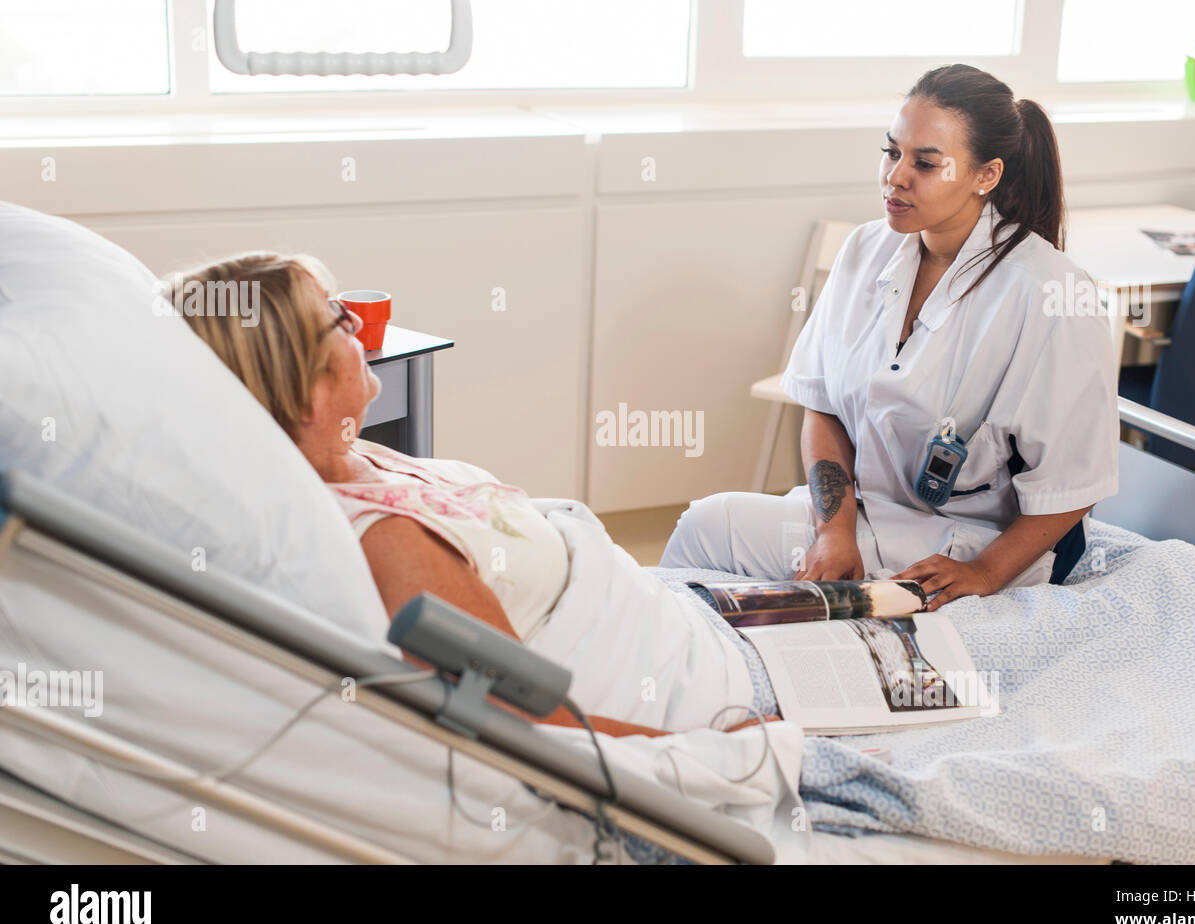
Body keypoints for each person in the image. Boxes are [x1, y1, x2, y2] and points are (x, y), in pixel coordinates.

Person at [167, 253, 759, 738]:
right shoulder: (388, 544)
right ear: (303, 393)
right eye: (337, 320)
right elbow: (534, 725)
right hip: (704, 694)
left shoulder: (351, 454)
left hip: (681, 626)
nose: (355, 326)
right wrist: (727, 746)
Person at [661, 64, 1119, 611]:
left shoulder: (1052, 295)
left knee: (717, 552)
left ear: (986, 174)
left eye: (925, 163)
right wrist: (835, 530)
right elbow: (822, 406)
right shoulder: (864, 251)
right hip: (864, 514)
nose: (896, 176)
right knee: (707, 528)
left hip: (968, 539)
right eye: (891, 152)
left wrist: (985, 572)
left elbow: (1073, 483)